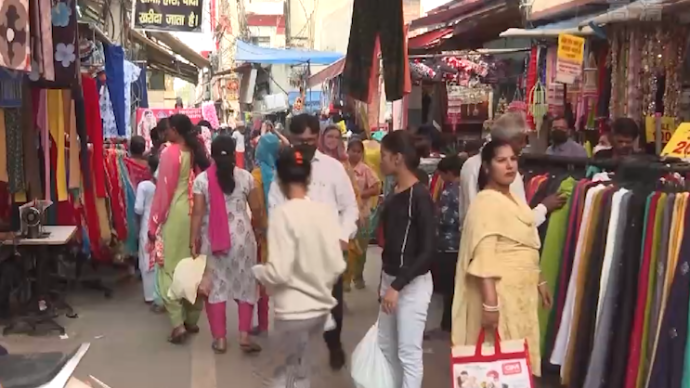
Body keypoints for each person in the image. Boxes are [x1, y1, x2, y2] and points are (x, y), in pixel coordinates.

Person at [452, 139, 552, 378]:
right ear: (487, 167)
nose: (509, 166)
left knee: (517, 363)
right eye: (501, 160)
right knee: (499, 365)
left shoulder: (514, 199)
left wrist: (539, 280)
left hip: (521, 296)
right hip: (501, 296)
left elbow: (524, 241)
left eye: (513, 159)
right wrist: (490, 305)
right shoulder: (485, 202)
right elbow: (484, 257)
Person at [267, 113, 358, 371]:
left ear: (317, 137)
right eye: (299, 140)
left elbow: (349, 207)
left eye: (310, 139)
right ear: (291, 139)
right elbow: (275, 208)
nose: (305, 144)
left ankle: (334, 344)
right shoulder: (281, 172)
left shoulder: (333, 168)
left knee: (333, 308)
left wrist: (343, 235)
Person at [253, 146, 345, 388]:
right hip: (318, 311)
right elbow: (336, 264)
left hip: (292, 310)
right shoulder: (324, 213)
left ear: (280, 180)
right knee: (303, 372)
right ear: (309, 178)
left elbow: (280, 271)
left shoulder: (283, 215)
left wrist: (259, 272)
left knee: (283, 375)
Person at [190, 134, 263, 354]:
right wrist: (258, 231)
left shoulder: (202, 180)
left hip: (213, 241)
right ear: (234, 154)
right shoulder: (246, 177)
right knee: (246, 285)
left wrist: (193, 239)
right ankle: (244, 336)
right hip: (243, 240)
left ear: (211, 154)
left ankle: (220, 340)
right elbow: (258, 209)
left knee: (215, 289)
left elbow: (197, 213)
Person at [377, 130, 435, 388]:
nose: (381, 160)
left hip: (411, 284)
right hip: (391, 281)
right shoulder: (394, 192)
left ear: (398, 158)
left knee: (408, 353)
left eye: (384, 156)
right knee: (387, 348)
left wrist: (397, 285)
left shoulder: (420, 196)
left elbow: (427, 252)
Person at [147, 114, 211, 344]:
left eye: (168, 130)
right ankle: (192, 320)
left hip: (174, 213)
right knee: (191, 266)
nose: (166, 134)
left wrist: (154, 224)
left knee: (168, 269)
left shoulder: (170, 153)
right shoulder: (192, 151)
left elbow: (164, 193)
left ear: (174, 130)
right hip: (192, 212)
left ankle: (177, 324)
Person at [459, 112, 566, 229]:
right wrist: (544, 207)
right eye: (521, 141)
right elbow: (520, 224)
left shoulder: (468, 165)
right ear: (507, 142)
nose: (524, 145)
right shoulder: (508, 174)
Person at [318, 125, 364, 292]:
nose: (332, 141)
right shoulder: (316, 161)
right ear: (322, 138)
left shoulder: (344, 163)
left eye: (336, 137)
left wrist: (357, 214)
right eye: (329, 136)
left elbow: (353, 190)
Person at [249, 132, 281, 336]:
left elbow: (256, 208)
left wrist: (258, 228)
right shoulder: (285, 173)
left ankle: (262, 324)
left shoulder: (256, 176)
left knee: (261, 280)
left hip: (262, 235)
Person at [427, 155, 462, 338]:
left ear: (448, 173)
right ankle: (449, 325)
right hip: (460, 244)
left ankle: (445, 326)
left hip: (448, 244)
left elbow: (445, 219)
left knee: (445, 290)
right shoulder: (468, 188)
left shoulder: (450, 192)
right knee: (454, 289)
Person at [345, 139, 381, 291]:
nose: (355, 154)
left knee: (360, 248)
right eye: (352, 150)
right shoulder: (342, 168)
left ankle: (358, 276)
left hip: (363, 214)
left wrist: (359, 195)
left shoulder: (366, 170)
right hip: (345, 215)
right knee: (346, 249)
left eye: (358, 151)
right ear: (347, 151)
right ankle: (345, 280)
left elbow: (376, 188)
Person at [134, 155, 164, 312]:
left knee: (146, 258)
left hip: (147, 225)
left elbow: (138, 208)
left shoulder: (144, 186)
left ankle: (150, 295)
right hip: (161, 225)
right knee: (159, 257)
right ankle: (160, 293)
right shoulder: (165, 185)